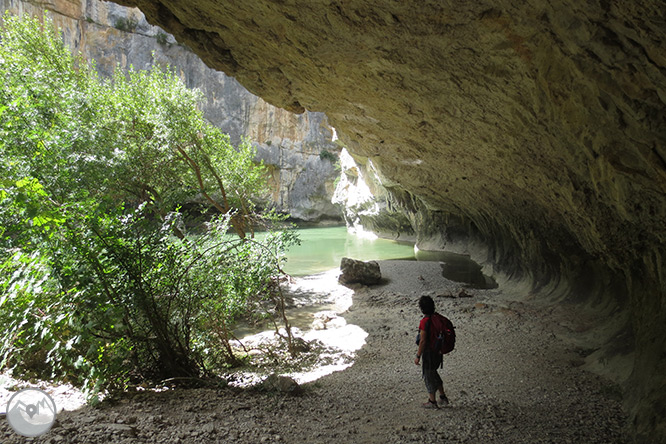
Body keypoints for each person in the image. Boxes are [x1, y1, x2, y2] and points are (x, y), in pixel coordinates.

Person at [414, 295, 450, 409]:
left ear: (422, 308)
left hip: (429, 353)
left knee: (428, 376)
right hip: (438, 351)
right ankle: (443, 397)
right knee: (433, 372)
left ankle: (432, 401)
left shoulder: (425, 321)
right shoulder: (437, 318)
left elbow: (423, 341)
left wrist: (418, 355)